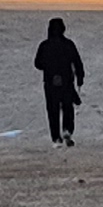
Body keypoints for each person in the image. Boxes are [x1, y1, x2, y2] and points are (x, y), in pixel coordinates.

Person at [33, 17, 84, 145]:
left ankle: (56, 137)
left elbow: (37, 63)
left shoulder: (44, 45)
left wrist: (48, 67)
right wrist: (80, 78)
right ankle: (67, 130)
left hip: (50, 83)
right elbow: (77, 62)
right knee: (68, 108)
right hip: (67, 82)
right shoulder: (68, 44)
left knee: (53, 110)